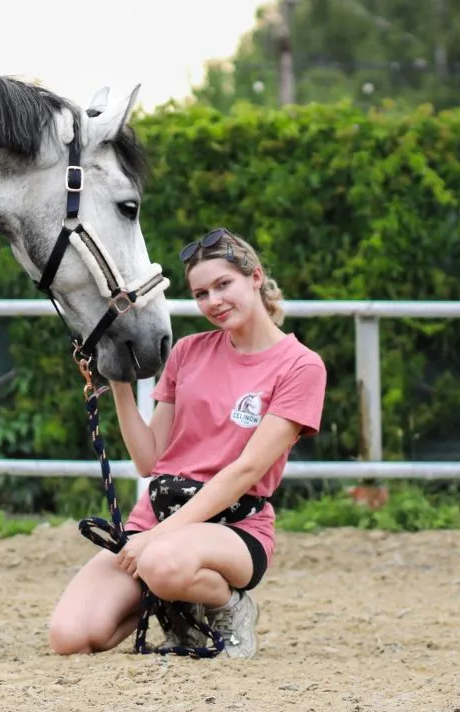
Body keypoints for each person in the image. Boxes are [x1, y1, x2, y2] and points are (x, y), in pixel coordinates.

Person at [48, 227, 327, 658]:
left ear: (254, 277)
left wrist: (158, 538)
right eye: (201, 294)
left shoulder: (301, 366)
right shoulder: (188, 352)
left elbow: (247, 470)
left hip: (232, 528)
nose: (213, 302)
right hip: (158, 521)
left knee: (162, 563)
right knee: (70, 637)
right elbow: (149, 460)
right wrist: (117, 377)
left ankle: (229, 605)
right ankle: (176, 606)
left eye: (223, 285)